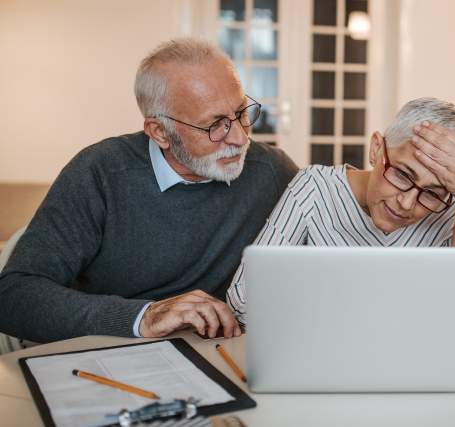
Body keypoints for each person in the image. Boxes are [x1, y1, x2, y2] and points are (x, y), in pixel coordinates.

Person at [0, 38, 298, 343]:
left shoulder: (271, 170)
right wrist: (144, 317)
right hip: (111, 353)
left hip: (218, 354)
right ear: (160, 132)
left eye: (242, 113)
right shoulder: (100, 173)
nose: (239, 137)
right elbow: (13, 296)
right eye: (215, 125)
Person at [227, 97, 455, 324]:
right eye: (402, 174)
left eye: (432, 192)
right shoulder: (315, 187)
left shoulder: (448, 212)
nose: (407, 203)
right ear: (376, 149)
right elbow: (243, 298)